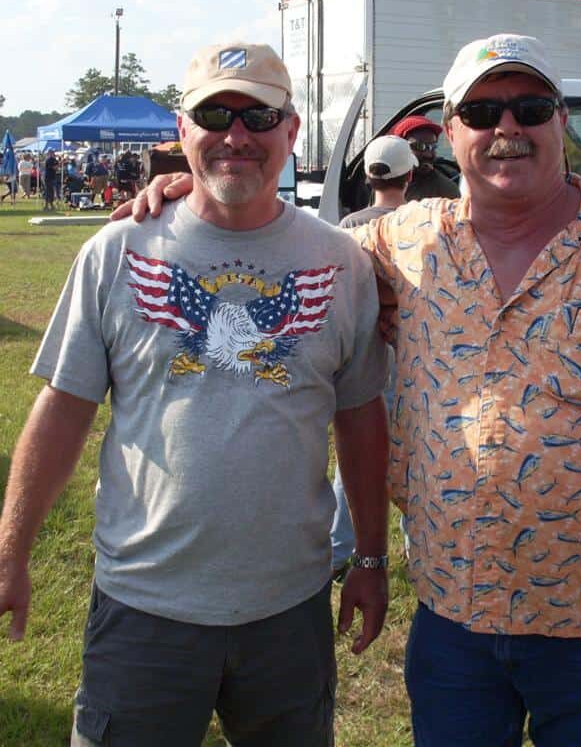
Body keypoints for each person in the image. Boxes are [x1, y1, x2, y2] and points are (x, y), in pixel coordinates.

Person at [115, 33, 581, 747]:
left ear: (561, 125)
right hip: (456, 624)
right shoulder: (400, 244)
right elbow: (280, 239)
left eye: (530, 107)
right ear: (450, 132)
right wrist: (198, 190)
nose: (506, 129)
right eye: (483, 112)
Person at [0, 40, 390, 747]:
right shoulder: (118, 252)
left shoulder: (340, 262)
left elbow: (359, 416)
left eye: (259, 117)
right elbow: (62, 409)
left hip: (288, 611)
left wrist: (369, 556)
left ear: (292, 132)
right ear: (182, 132)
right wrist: (10, 549)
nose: (236, 135)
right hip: (144, 607)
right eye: (214, 114)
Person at [331, 135, 417, 576]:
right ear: (410, 175)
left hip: (362, 363)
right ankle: (414, 545)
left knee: (354, 459)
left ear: (367, 175)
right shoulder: (422, 225)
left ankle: (340, 547)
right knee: (416, 457)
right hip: (411, 363)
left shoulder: (346, 228)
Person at [389, 114, 460, 201]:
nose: (428, 154)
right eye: (419, 146)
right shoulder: (386, 183)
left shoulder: (445, 192)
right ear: (399, 148)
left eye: (433, 147)